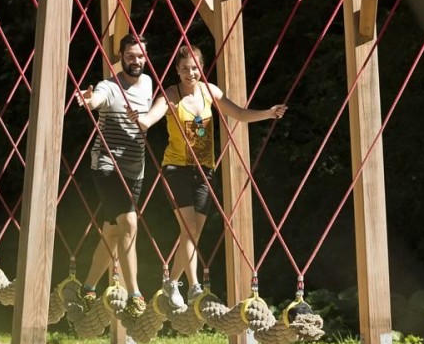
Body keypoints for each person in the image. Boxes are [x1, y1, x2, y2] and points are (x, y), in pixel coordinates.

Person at [130, 45, 287, 304]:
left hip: (204, 170)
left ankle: (171, 283)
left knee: (193, 232)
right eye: (184, 69)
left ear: (201, 68)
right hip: (176, 168)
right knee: (189, 227)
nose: (190, 73)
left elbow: (238, 113)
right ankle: (192, 286)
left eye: (194, 68)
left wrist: (268, 113)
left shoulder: (210, 92)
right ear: (177, 71)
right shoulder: (171, 95)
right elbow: (151, 118)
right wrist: (140, 121)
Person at [75, 34, 188, 313]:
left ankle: (87, 288)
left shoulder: (149, 82)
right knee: (130, 224)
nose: (135, 61)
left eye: (140, 56)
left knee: (112, 232)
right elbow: (97, 99)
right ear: (121, 57)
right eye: (130, 56)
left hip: (135, 169)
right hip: (106, 164)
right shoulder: (109, 87)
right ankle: (135, 295)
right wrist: (88, 101)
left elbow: (149, 117)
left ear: (145, 57)